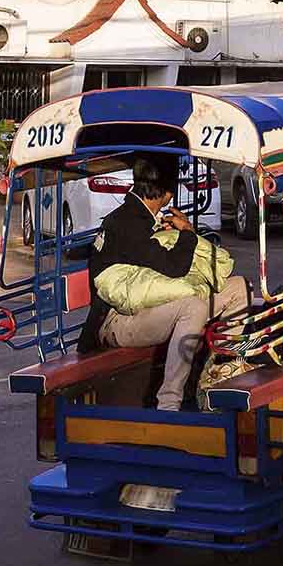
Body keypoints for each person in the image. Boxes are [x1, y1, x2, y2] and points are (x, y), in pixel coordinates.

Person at [80, 157, 249, 410]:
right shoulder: (129, 223)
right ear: (167, 192)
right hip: (116, 322)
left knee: (238, 288)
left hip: (148, 307)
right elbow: (175, 268)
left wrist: (169, 232)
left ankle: (218, 373)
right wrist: (187, 233)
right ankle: (169, 402)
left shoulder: (140, 217)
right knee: (193, 307)